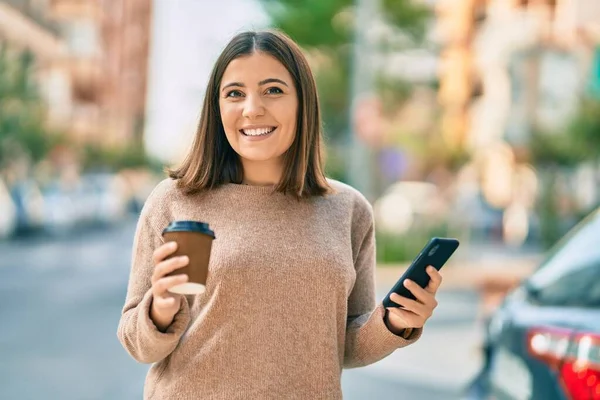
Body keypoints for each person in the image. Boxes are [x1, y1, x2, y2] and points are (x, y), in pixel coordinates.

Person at [117, 29, 443, 399]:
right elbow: (137, 342)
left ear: (303, 103)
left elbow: (344, 344)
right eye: (235, 93)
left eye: (273, 90)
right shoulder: (175, 200)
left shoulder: (348, 210)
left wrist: (393, 322)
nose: (252, 108)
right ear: (217, 107)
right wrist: (161, 307)